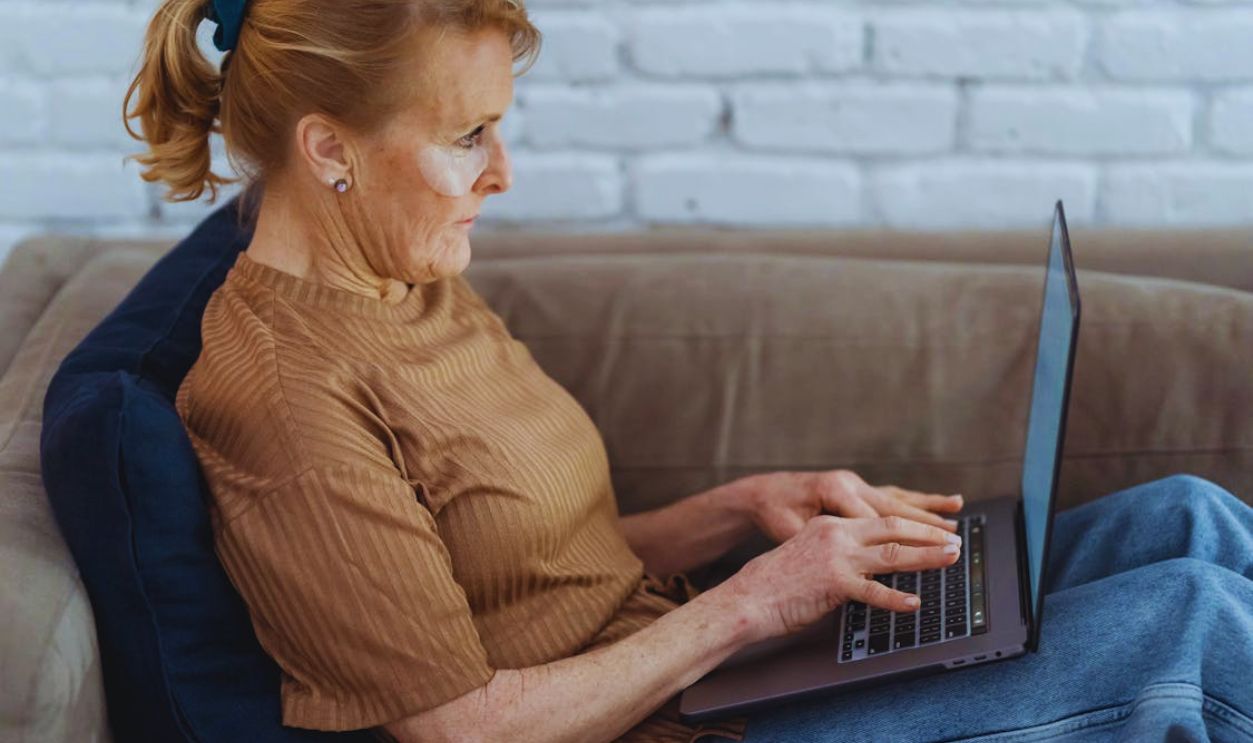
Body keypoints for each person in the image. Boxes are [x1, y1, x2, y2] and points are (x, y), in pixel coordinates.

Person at [123, 0, 1253, 741]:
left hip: (694, 664)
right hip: (685, 725)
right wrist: (755, 600)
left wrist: (739, 509)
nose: (502, 172)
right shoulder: (281, 394)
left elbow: (528, 571)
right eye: (467, 135)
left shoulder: (405, 275)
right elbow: (457, 724)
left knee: (1191, 521)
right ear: (328, 151)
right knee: (1190, 621)